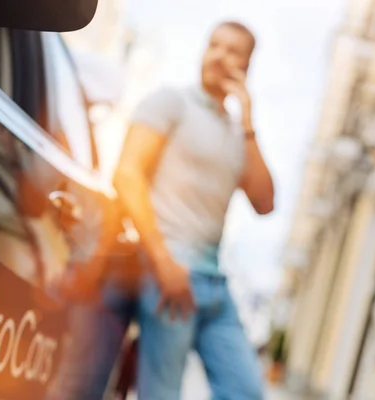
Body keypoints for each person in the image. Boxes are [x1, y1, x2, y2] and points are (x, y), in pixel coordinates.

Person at [113, 21, 275, 400]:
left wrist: (248, 120)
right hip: (170, 271)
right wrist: (163, 261)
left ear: (247, 66)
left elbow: (265, 203)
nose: (219, 55)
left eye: (232, 50)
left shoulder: (238, 135)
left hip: (215, 284)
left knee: (245, 392)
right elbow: (126, 174)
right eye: (213, 45)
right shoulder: (172, 102)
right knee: (161, 393)